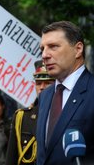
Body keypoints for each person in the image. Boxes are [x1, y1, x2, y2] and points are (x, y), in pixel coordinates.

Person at [36, 21, 94, 164]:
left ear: (78, 49)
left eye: (53, 47)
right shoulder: (45, 95)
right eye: (42, 49)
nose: (44, 55)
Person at [5, 60, 55, 165]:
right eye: (38, 83)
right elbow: (11, 158)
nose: (41, 87)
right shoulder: (22, 117)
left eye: (47, 83)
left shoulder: (63, 114)